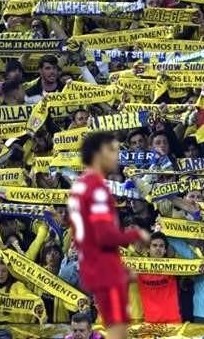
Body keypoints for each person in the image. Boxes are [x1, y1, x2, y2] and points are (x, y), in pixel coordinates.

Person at [68, 132, 150, 339]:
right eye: (112, 150)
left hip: (92, 267)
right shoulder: (97, 188)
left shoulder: (79, 185)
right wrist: (134, 234)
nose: (117, 155)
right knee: (118, 332)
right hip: (105, 271)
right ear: (98, 153)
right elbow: (104, 236)